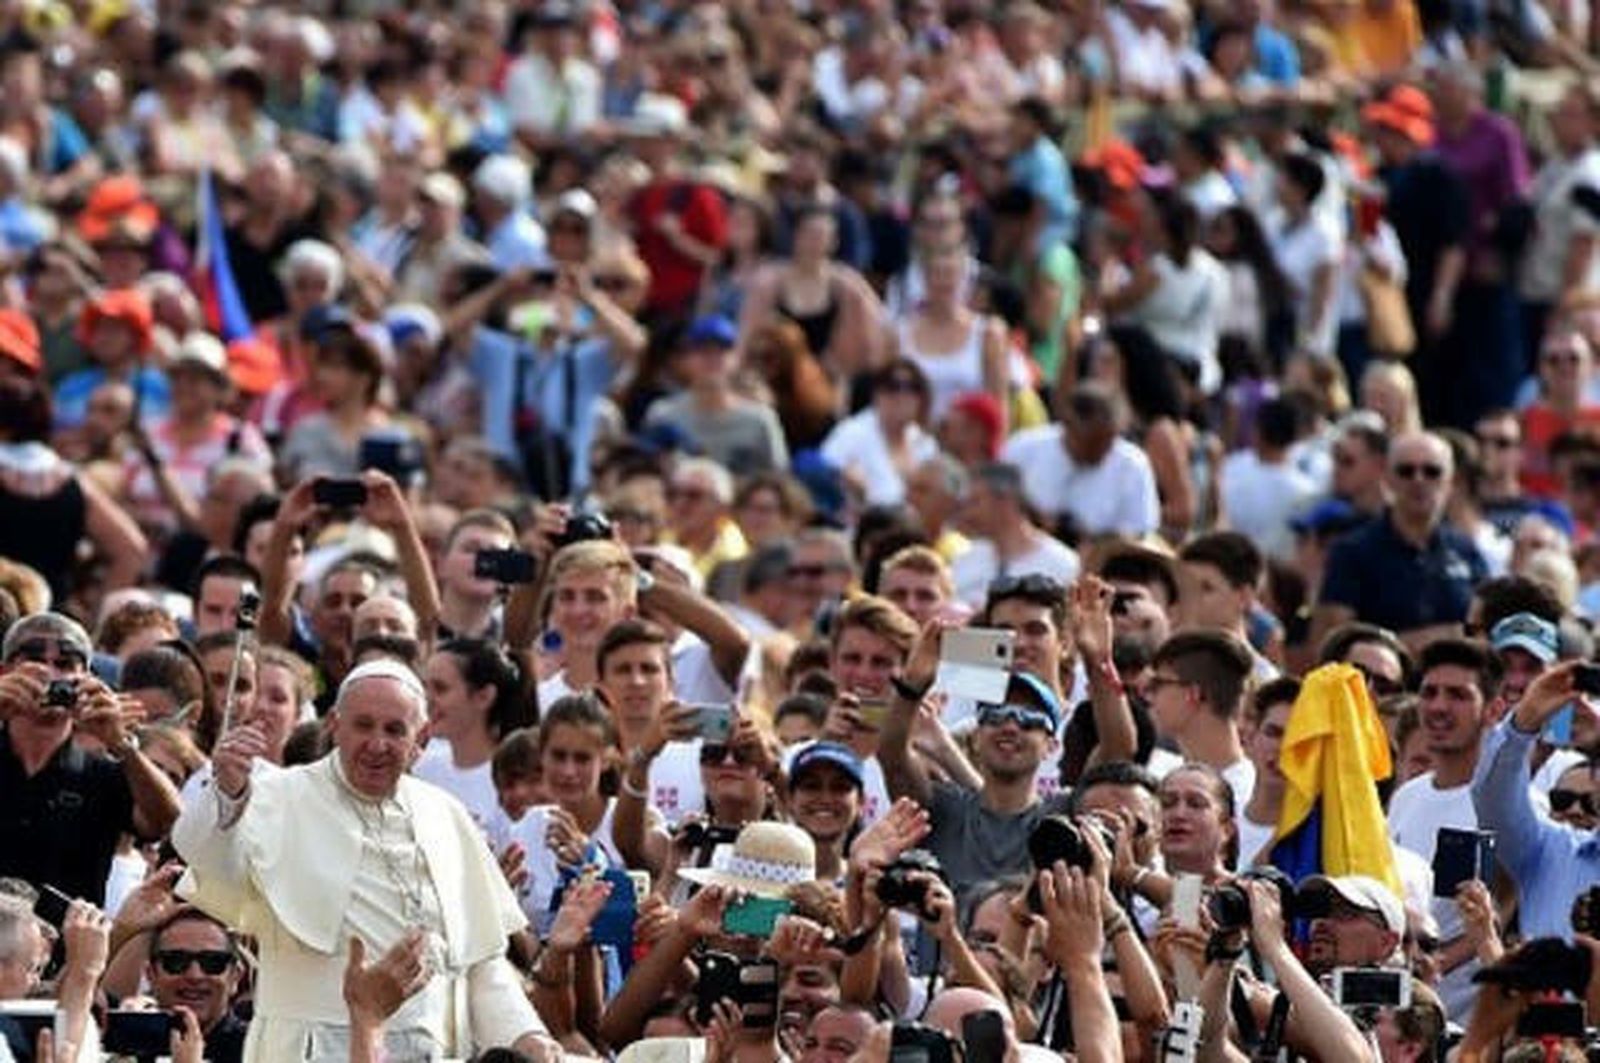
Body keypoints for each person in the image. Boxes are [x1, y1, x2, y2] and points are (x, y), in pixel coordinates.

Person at [173, 659, 560, 1062]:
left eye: (395, 730)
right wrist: (229, 795)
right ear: (335, 726)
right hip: (313, 1049)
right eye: (363, 725)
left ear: (422, 738)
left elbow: (479, 959)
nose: (377, 744)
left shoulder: (446, 814)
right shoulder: (277, 796)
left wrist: (525, 1034)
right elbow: (207, 861)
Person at [0, 612, 181, 904]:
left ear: (86, 679)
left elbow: (167, 823)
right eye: (34, 661)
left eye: (64, 664)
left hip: (64, 944)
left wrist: (121, 744)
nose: (50, 674)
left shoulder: (103, 775)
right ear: (5, 673)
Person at [1314, 430, 1489, 649]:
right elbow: (1332, 645)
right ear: (1387, 479)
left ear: (1450, 482)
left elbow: (1487, 632)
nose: (1418, 480)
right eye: (1406, 471)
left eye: (1432, 471)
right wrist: (1423, 642)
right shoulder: (1351, 552)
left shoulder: (1466, 551)